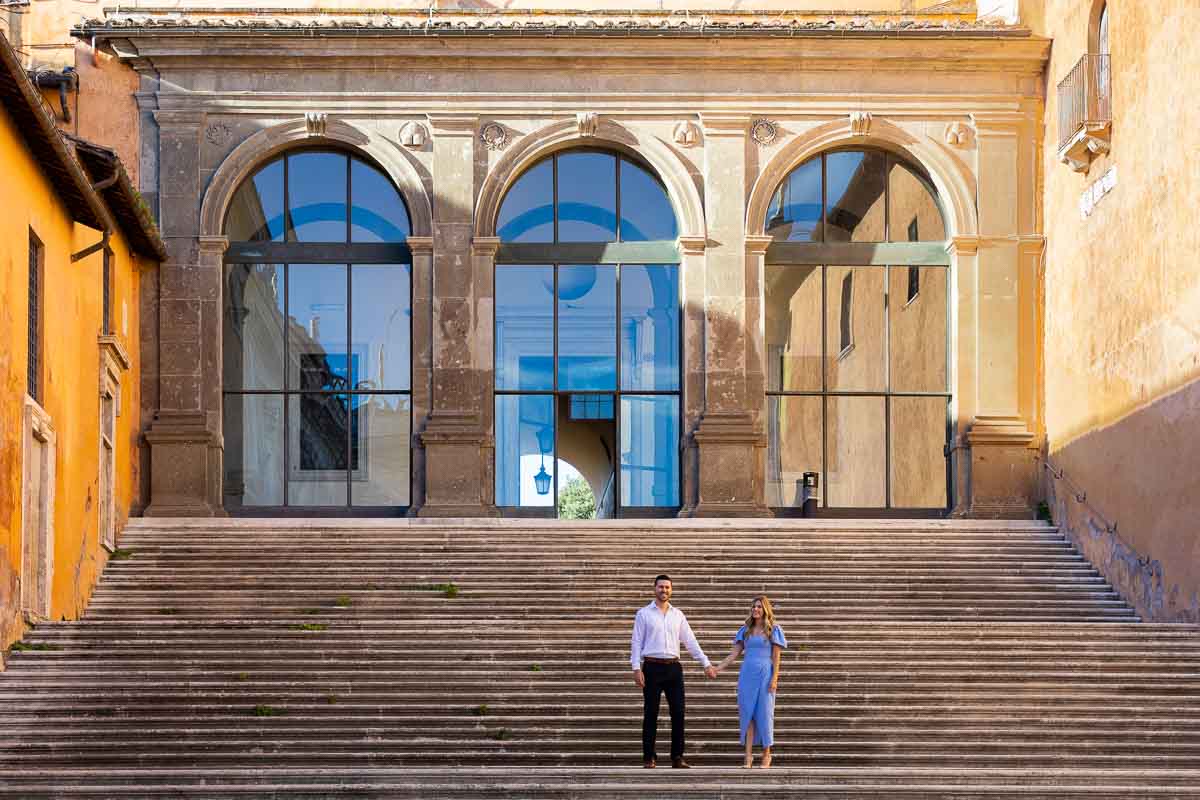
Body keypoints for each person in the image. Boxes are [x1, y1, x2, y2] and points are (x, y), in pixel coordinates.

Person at [630, 574, 718, 768]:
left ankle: (677, 757)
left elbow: (690, 641)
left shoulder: (678, 615)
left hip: (673, 668)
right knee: (650, 712)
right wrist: (636, 668)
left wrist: (705, 663)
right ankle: (649, 757)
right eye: (661, 587)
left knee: (678, 712)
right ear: (655, 589)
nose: (664, 590)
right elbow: (636, 642)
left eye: (667, 587)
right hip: (651, 667)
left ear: (671, 590)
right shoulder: (643, 614)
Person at [714, 595, 787, 768]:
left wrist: (774, 678)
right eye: (754, 607)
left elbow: (776, 657)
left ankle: (766, 755)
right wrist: (717, 668)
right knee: (748, 714)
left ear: (765, 610)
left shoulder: (773, 629)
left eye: (759, 607)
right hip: (747, 676)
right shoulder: (745, 630)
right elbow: (733, 654)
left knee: (765, 714)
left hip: (765, 675)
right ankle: (748, 757)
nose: (755, 609)